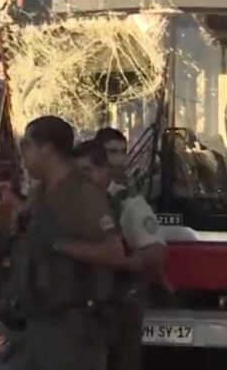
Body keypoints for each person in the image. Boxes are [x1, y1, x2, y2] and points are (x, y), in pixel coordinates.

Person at [9, 116, 121, 370]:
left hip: (73, 330)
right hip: (37, 324)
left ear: (47, 149)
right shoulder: (39, 193)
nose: (22, 153)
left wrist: (60, 245)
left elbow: (115, 253)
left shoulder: (83, 194)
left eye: (27, 145)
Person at [67, 140, 170, 370]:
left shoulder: (127, 204)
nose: (82, 180)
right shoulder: (69, 204)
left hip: (118, 309)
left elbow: (154, 256)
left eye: (87, 171)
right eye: (76, 174)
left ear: (105, 171)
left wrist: (121, 269)